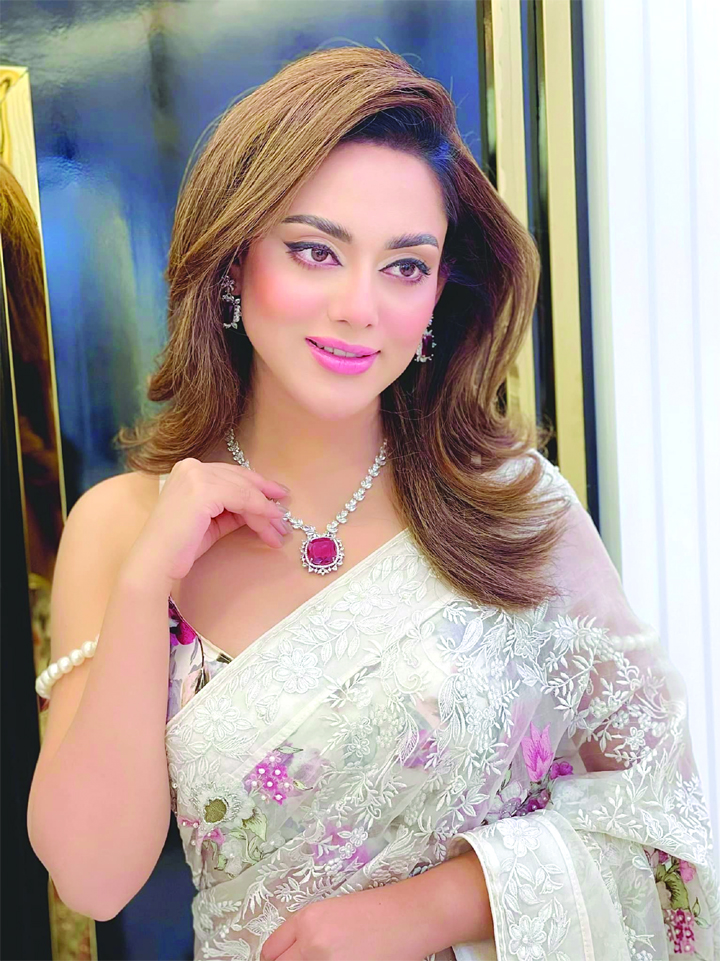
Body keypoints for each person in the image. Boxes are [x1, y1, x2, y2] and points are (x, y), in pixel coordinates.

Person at [27, 45, 719, 961]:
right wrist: (147, 580)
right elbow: (91, 878)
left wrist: (436, 905)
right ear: (233, 263)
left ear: (437, 295)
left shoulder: (514, 508)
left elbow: (668, 818)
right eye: (315, 251)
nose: (360, 307)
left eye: (405, 266)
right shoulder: (122, 527)